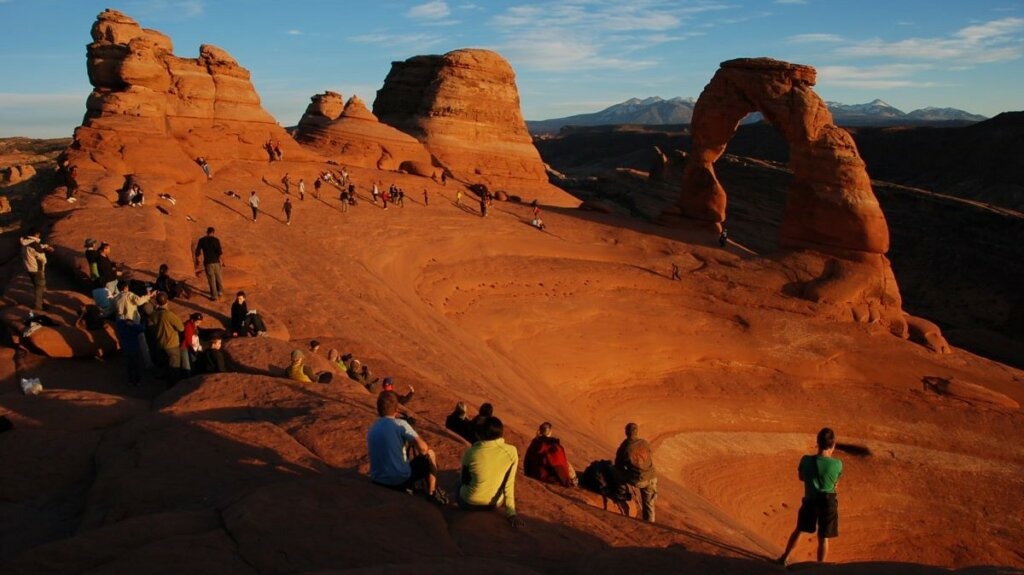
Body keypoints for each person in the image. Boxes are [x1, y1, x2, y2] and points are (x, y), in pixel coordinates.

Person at [778, 427, 843, 566]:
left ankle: (784, 557)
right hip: (828, 502)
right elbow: (835, 482)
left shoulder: (806, 460)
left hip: (810, 501)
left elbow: (801, 477)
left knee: (799, 530)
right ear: (833, 445)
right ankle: (820, 567)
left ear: (817, 442)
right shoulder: (837, 464)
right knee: (823, 537)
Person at [367, 390, 445, 503]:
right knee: (429, 455)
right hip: (398, 481)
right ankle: (432, 493)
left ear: (378, 410)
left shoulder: (372, 429)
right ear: (397, 410)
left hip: (378, 480)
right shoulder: (400, 424)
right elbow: (423, 449)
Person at [459, 416, 523, 527]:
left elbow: (463, 480)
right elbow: (509, 483)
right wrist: (511, 513)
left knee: (457, 483)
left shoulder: (470, 452)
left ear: (481, 435)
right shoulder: (512, 451)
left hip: (469, 502)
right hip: (494, 504)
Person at [615, 422, 657, 522]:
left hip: (637, 480)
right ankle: (650, 524)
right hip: (651, 477)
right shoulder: (644, 443)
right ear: (637, 432)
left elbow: (618, 466)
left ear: (626, 432)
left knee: (616, 473)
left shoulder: (624, 448)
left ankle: (622, 494)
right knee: (649, 506)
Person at [524, 422, 577, 487]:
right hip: (546, 478)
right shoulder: (552, 447)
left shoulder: (535, 442)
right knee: (569, 468)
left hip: (532, 473)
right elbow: (559, 466)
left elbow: (526, 460)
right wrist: (567, 482)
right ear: (550, 432)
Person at [148, 292, 184, 384]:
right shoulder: (169, 314)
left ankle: (166, 385)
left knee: (165, 366)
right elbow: (181, 327)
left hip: (160, 344)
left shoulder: (154, 315)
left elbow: (150, 327)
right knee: (174, 369)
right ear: (167, 301)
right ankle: (173, 388)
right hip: (172, 345)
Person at [20, 230, 54, 310]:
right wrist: (44, 263)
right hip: (37, 269)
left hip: (29, 268)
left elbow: (36, 247)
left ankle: (40, 303)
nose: (39, 236)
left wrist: (45, 246)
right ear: (36, 234)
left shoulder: (25, 242)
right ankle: (38, 306)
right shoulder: (34, 245)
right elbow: (41, 257)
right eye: (38, 234)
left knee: (37, 286)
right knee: (40, 287)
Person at [194, 227, 225, 301]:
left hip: (208, 262)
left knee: (212, 279)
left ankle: (214, 296)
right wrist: (223, 261)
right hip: (216, 262)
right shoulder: (216, 240)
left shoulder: (202, 240)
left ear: (207, 232)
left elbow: (197, 251)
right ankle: (220, 292)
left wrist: (197, 260)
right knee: (219, 277)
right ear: (213, 232)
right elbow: (219, 252)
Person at [114, 317, 146, 385]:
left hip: (126, 349)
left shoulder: (121, 328)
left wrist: (124, 321)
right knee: (136, 366)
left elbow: (118, 321)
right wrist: (132, 325)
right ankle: (137, 380)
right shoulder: (133, 329)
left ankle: (130, 380)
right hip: (134, 349)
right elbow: (142, 328)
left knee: (129, 366)